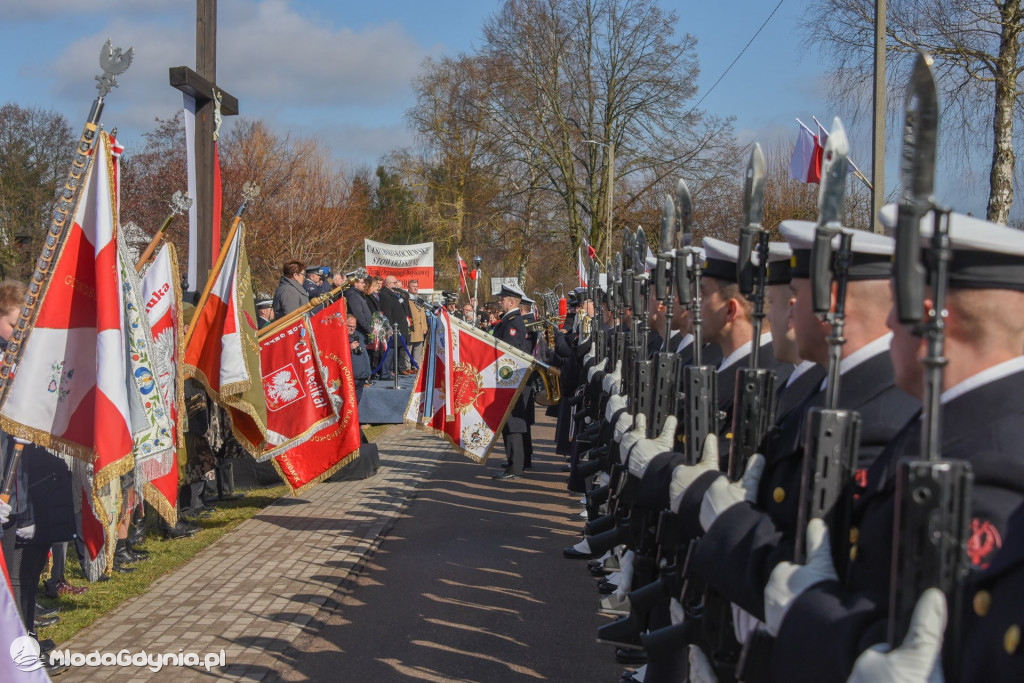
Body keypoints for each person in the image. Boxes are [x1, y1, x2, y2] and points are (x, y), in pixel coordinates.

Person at [765, 209, 1024, 682]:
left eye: (895, 306)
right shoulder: (943, 425)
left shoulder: (997, 458)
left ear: (929, 318)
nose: (886, 321)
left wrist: (815, 620)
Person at [491, 282, 534, 481]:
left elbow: (509, 350)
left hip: (512, 379)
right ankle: (515, 462)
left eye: (502, 299)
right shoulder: (510, 319)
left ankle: (516, 467)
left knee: (513, 423)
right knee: (512, 422)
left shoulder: (514, 321)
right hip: (511, 378)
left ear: (510, 302)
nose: (500, 302)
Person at [380, 275, 413, 375]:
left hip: (400, 327)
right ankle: (386, 372)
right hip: (393, 327)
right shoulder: (385, 294)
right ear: (388, 284)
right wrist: (391, 327)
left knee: (397, 350)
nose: (396, 284)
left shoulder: (394, 293)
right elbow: (387, 312)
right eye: (394, 283)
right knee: (390, 351)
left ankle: (394, 370)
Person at [347, 314, 372, 402]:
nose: (351, 329)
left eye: (354, 326)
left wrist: (368, 371)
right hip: (351, 377)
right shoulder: (341, 337)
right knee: (349, 402)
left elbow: (364, 354)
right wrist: (349, 347)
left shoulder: (358, 335)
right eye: (349, 326)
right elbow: (337, 352)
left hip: (362, 375)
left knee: (356, 402)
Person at [343, 269, 373, 339]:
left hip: (361, 330)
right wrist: (368, 329)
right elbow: (358, 314)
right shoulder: (353, 295)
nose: (364, 284)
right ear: (356, 284)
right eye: (362, 282)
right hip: (358, 331)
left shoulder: (357, 294)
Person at [408, 279, 427, 370]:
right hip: (411, 327)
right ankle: (406, 367)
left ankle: (416, 366)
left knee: (418, 348)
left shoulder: (420, 299)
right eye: (413, 286)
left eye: (417, 286)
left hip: (420, 328)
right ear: (409, 287)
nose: (415, 288)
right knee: (408, 348)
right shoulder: (407, 298)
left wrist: (424, 327)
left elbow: (423, 315)